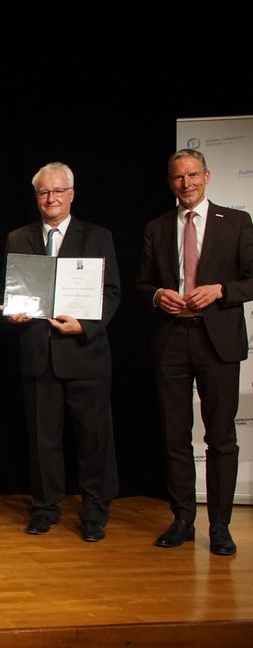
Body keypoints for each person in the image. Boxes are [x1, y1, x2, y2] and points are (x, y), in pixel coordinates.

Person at [136, 149, 253, 556]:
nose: (185, 184)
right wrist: (156, 295)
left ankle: (219, 525)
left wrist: (222, 291)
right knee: (174, 436)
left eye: (192, 176)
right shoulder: (157, 227)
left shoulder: (236, 222)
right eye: (177, 178)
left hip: (217, 339)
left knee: (220, 438)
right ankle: (183, 518)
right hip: (171, 339)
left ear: (207, 175)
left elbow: (252, 279)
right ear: (170, 182)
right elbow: (141, 284)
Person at [3, 162, 120, 542]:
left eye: (57, 192)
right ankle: (45, 507)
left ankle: (95, 512)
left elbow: (112, 293)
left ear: (71, 194)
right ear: (36, 197)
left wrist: (85, 326)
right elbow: (15, 291)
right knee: (43, 440)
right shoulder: (18, 237)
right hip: (38, 354)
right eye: (43, 192)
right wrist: (13, 312)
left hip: (84, 353)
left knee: (94, 439)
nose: (50, 199)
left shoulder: (98, 236)